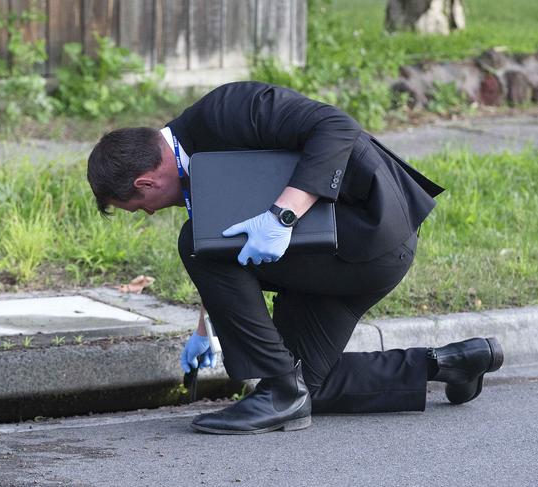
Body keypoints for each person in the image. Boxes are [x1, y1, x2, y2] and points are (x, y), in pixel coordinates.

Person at [87, 81, 503, 435]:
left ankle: (281, 391)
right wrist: (205, 327)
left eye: (142, 206)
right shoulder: (194, 171)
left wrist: (281, 216)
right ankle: (451, 363)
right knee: (305, 385)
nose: (152, 213)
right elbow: (227, 248)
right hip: (324, 261)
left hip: (369, 234)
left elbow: (337, 126)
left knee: (193, 240)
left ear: (146, 181)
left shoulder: (224, 111)